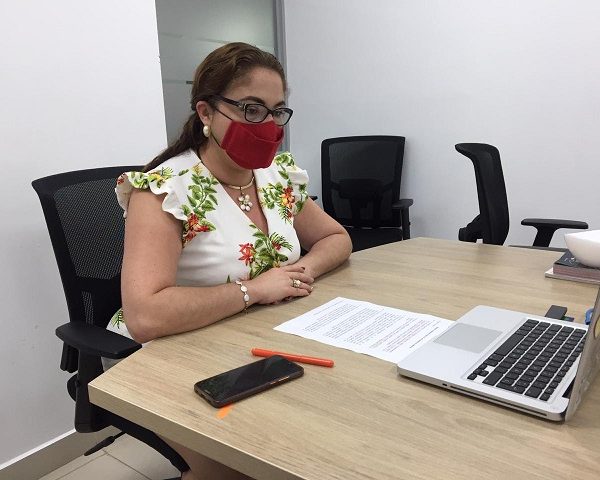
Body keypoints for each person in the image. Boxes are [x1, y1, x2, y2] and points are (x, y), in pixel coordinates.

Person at [112, 42, 352, 480]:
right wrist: (254, 290)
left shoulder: (276, 176)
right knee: (248, 465)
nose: (268, 125)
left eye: (277, 111)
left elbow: (336, 238)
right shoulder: (164, 191)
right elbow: (145, 315)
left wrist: (302, 272)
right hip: (166, 352)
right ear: (206, 112)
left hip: (254, 339)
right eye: (251, 109)